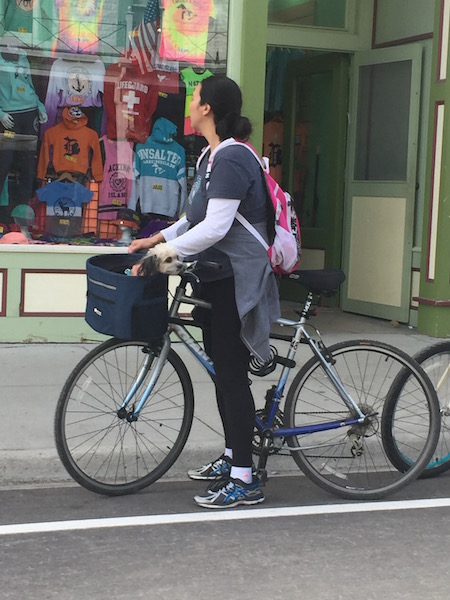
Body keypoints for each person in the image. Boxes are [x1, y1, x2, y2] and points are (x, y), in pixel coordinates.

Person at [129, 75, 280, 509]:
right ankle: (235, 455)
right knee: (222, 370)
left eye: (194, 98)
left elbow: (217, 227)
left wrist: (166, 253)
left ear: (208, 108)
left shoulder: (231, 158)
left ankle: (245, 479)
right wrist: (156, 240)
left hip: (236, 277)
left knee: (231, 374)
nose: (189, 105)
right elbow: (194, 218)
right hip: (214, 275)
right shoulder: (210, 157)